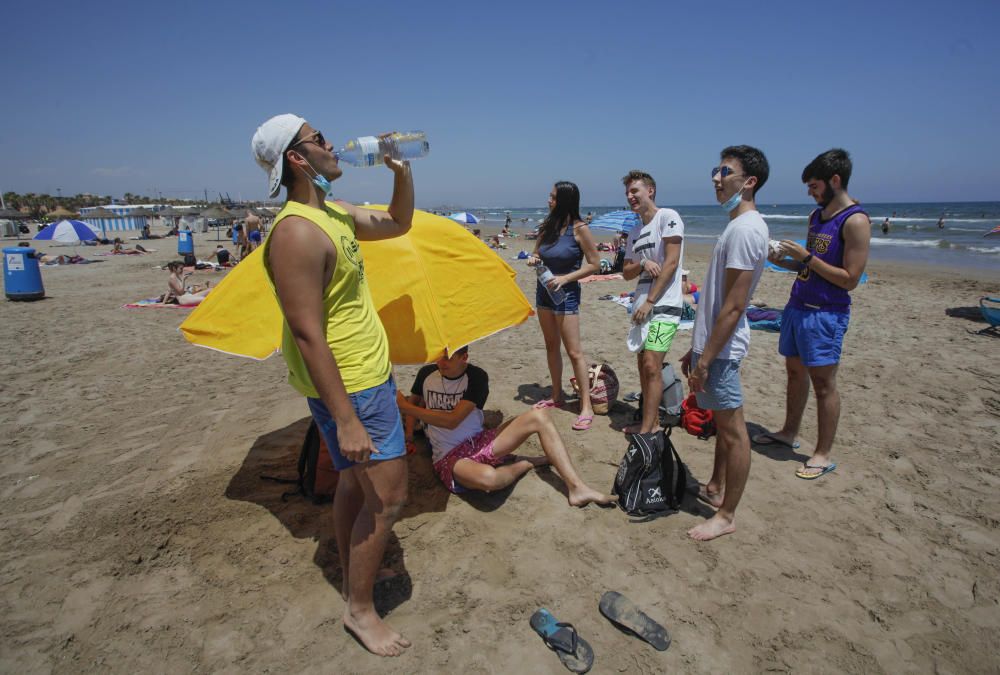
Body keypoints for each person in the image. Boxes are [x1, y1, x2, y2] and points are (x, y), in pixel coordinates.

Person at [252, 114, 413, 657]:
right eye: (317, 139)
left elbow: (397, 222)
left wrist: (401, 170)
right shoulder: (297, 231)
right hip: (353, 385)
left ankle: (353, 585)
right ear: (296, 159)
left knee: (353, 485)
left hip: (363, 376)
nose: (330, 143)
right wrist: (345, 418)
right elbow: (305, 331)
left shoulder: (333, 214)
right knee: (389, 500)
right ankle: (360, 611)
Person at [756, 148, 871, 481]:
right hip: (797, 306)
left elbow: (849, 279)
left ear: (835, 181)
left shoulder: (856, 221)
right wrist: (785, 261)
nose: (810, 191)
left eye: (814, 185)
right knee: (794, 374)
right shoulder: (816, 217)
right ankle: (788, 432)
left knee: (824, 384)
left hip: (826, 313)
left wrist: (805, 258)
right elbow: (811, 267)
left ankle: (822, 453)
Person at [680, 145, 770, 542]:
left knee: (734, 431)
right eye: (715, 171)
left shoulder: (748, 229)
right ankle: (715, 487)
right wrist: (696, 349)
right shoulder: (736, 226)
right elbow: (716, 301)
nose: (716, 178)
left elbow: (733, 307)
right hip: (710, 346)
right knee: (719, 421)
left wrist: (706, 361)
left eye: (725, 171)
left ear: (749, 182)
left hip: (723, 350)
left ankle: (727, 514)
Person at [398, 347, 615, 506]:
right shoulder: (426, 374)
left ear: (464, 358)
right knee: (489, 480)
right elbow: (416, 401)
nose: (440, 362)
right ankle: (524, 463)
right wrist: (409, 434)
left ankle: (576, 488)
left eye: (447, 358)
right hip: (450, 457)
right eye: (439, 356)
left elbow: (452, 420)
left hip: (478, 441)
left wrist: (405, 407)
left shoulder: (476, 377)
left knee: (539, 416)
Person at [526, 181, 601, 431]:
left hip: (566, 294)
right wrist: (534, 259)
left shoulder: (580, 229)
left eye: (553, 197)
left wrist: (566, 278)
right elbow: (536, 253)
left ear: (566, 201)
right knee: (550, 345)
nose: (549, 200)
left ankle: (586, 406)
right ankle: (557, 395)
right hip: (543, 292)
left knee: (574, 352)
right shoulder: (547, 227)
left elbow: (594, 264)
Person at [620, 170, 685, 435]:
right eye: (627, 193)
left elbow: (671, 263)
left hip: (665, 306)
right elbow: (626, 271)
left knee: (652, 364)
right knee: (642, 364)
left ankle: (651, 425)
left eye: (635, 191)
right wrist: (643, 263)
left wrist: (651, 300)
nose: (630, 196)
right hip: (640, 305)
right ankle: (649, 419)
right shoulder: (635, 231)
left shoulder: (668, 218)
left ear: (651, 190)